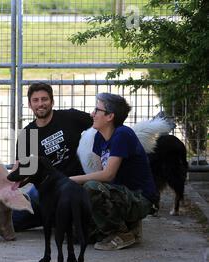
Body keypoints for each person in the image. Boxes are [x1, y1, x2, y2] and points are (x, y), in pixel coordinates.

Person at [70, 93, 159, 250]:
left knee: (90, 187)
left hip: (140, 198)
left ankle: (123, 232)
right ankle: (129, 226)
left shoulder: (122, 134)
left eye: (97, 110)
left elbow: (107, 175)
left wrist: (72, 180)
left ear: (110, 116)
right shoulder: (100, 137)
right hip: (120, 195)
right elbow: (101, 174)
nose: (92, 114)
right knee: (76, 235)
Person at [13, 82, 93, 231]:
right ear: (30, 105)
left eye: (44, 99)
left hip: (76, 181)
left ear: (52, 101)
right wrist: (5, 186)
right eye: (35, 100)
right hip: (46, 188)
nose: (40, 104)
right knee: (13, 221)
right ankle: (49, 215)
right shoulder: (27, 134)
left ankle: (53, 216)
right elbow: (20, 169)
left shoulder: (70, 117)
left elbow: (100, 125)